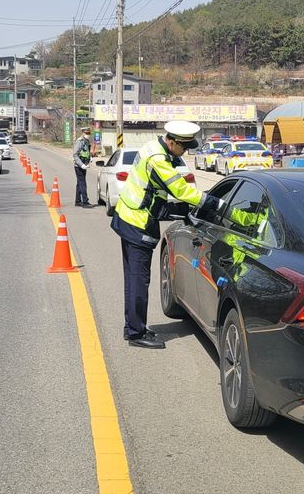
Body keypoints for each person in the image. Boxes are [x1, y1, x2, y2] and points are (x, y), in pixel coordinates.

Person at [111, 120, 225, 349]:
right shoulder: (159, 160)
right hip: (138, 223)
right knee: (138, 280)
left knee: (133, 278)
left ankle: (132, 326)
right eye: (184, 147)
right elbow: (182, 190)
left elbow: (153, 190)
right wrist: (215, 204)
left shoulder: (153, 148)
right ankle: (135, 333)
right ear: (171, 143)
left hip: (129, 216)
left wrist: (173, 209)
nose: (185, 152)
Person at [73, 127, 94, 208]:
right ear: (83, 133)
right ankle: (85, 202)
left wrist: (90, 157)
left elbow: (87, 151)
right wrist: (81, 165)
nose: (88, 135)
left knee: (79, 183)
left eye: (89, 133)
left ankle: (77, 201)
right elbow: (75, 154)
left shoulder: (86, 141)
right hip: (79, 166)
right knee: (83, 183)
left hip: (85, 165)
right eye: (86, 133)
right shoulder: (79, 142)